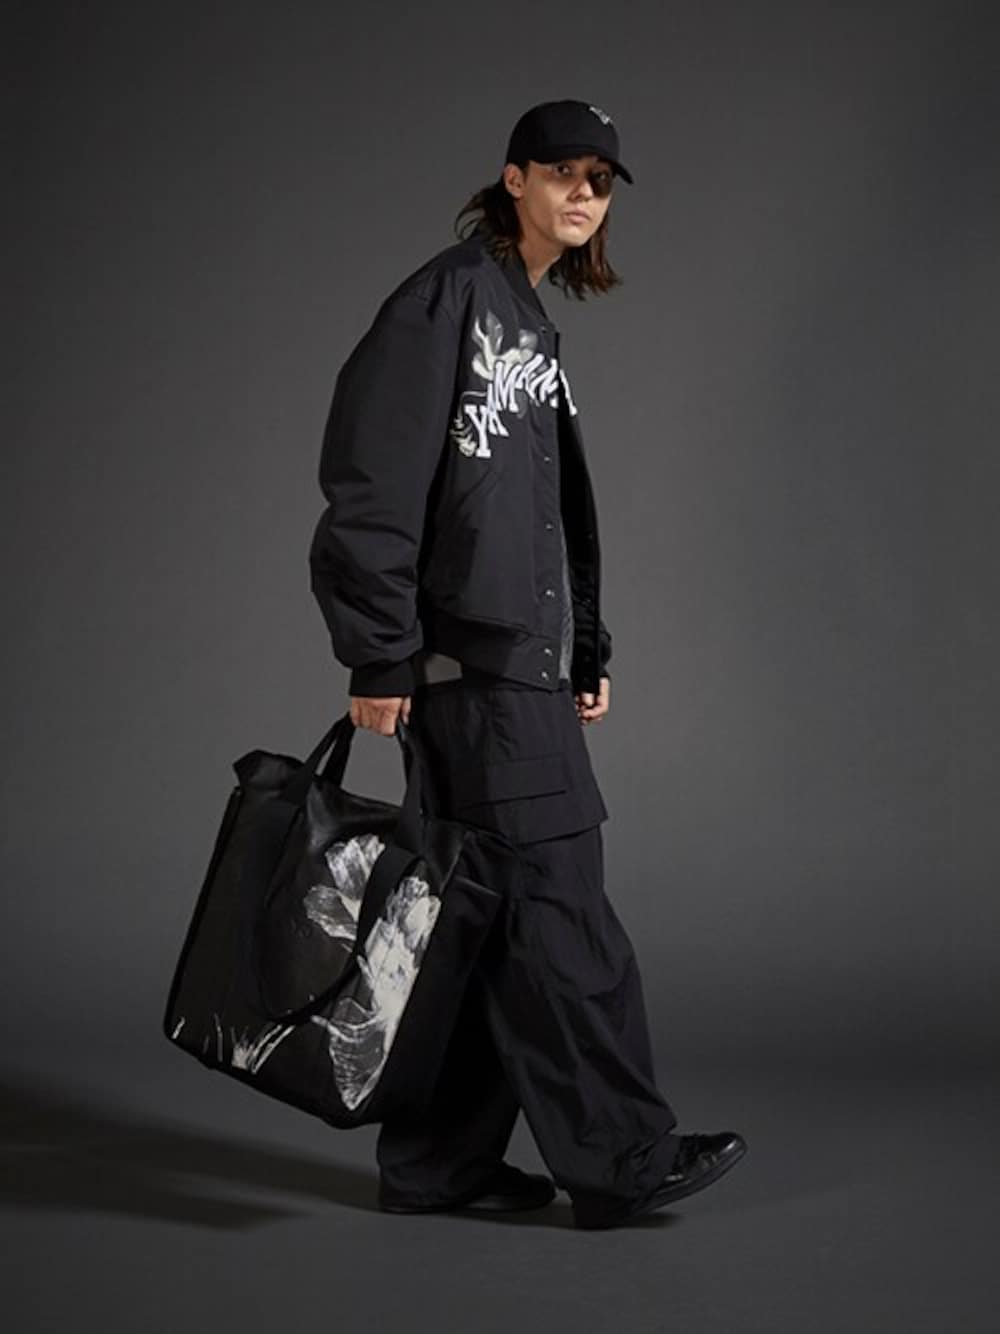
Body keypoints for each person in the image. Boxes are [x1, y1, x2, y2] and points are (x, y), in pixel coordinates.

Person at [308, 99, 747, 1229]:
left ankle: (438, 1165)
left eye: (600, 180)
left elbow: (541, 516)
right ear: (514, 179)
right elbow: (371, 484)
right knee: (561, 913)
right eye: (563, 173)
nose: (582, 195)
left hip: (517, 670)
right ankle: (622, 1159)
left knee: (481, 915)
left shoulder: (527, 320)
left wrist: (580, 648)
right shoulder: (446, 301)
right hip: (471, 676)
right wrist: (379, 654)